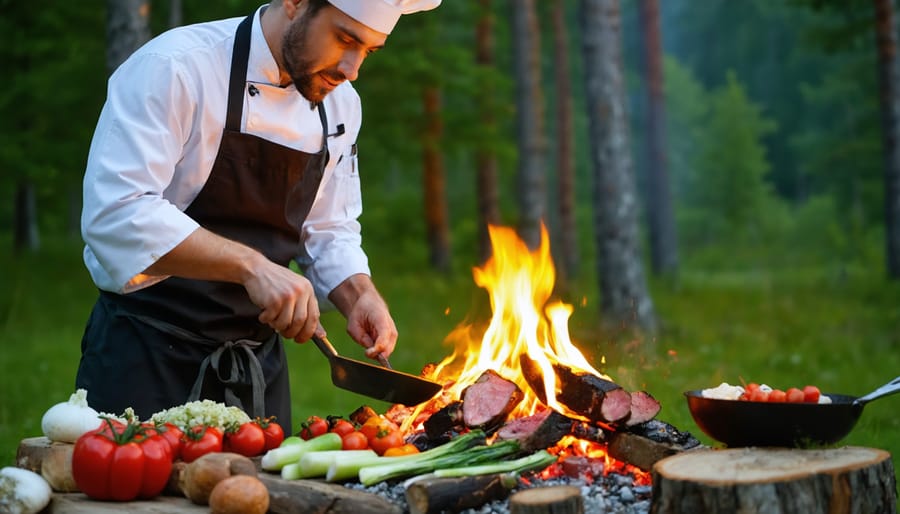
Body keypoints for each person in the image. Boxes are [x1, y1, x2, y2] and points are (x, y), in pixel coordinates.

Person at [76, 0, 441, 434]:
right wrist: (250, 267)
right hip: (146, 360)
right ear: (296, 4)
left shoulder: (341, 106)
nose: (352, 68)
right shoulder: (175, 67)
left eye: (369, 51)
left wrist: (358, 293)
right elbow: (117, 211)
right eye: (345, 38)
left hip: (256, 380)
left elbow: (328, 229)